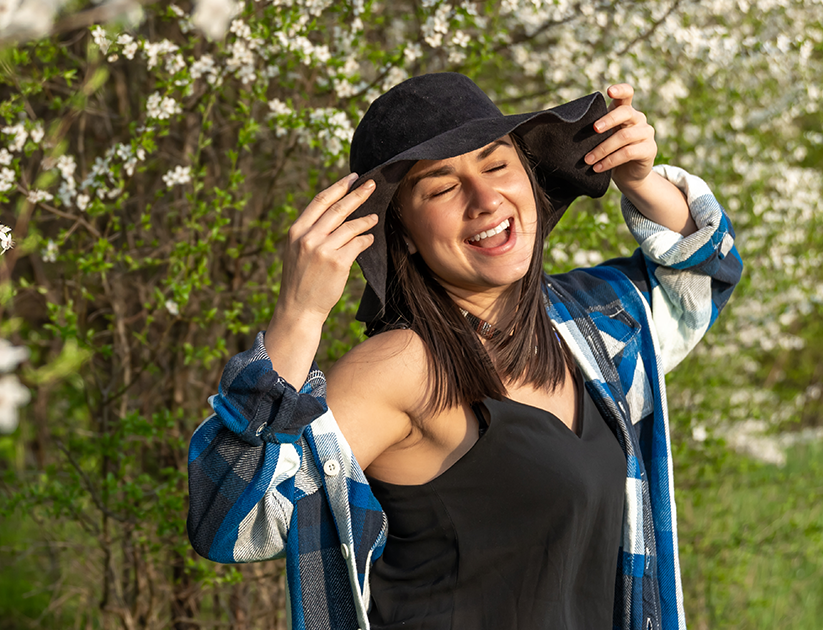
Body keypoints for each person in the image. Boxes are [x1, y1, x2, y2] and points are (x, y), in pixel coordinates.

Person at [186, 72, 742, 630]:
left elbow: (702, 279)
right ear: (400, 229)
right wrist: (299, 315)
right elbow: (228, 520)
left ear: (530, 176)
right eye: (441, 187)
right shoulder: (399, 369)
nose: (484, 198)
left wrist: (642, 182)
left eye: (497, 164)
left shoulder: (581, 323)